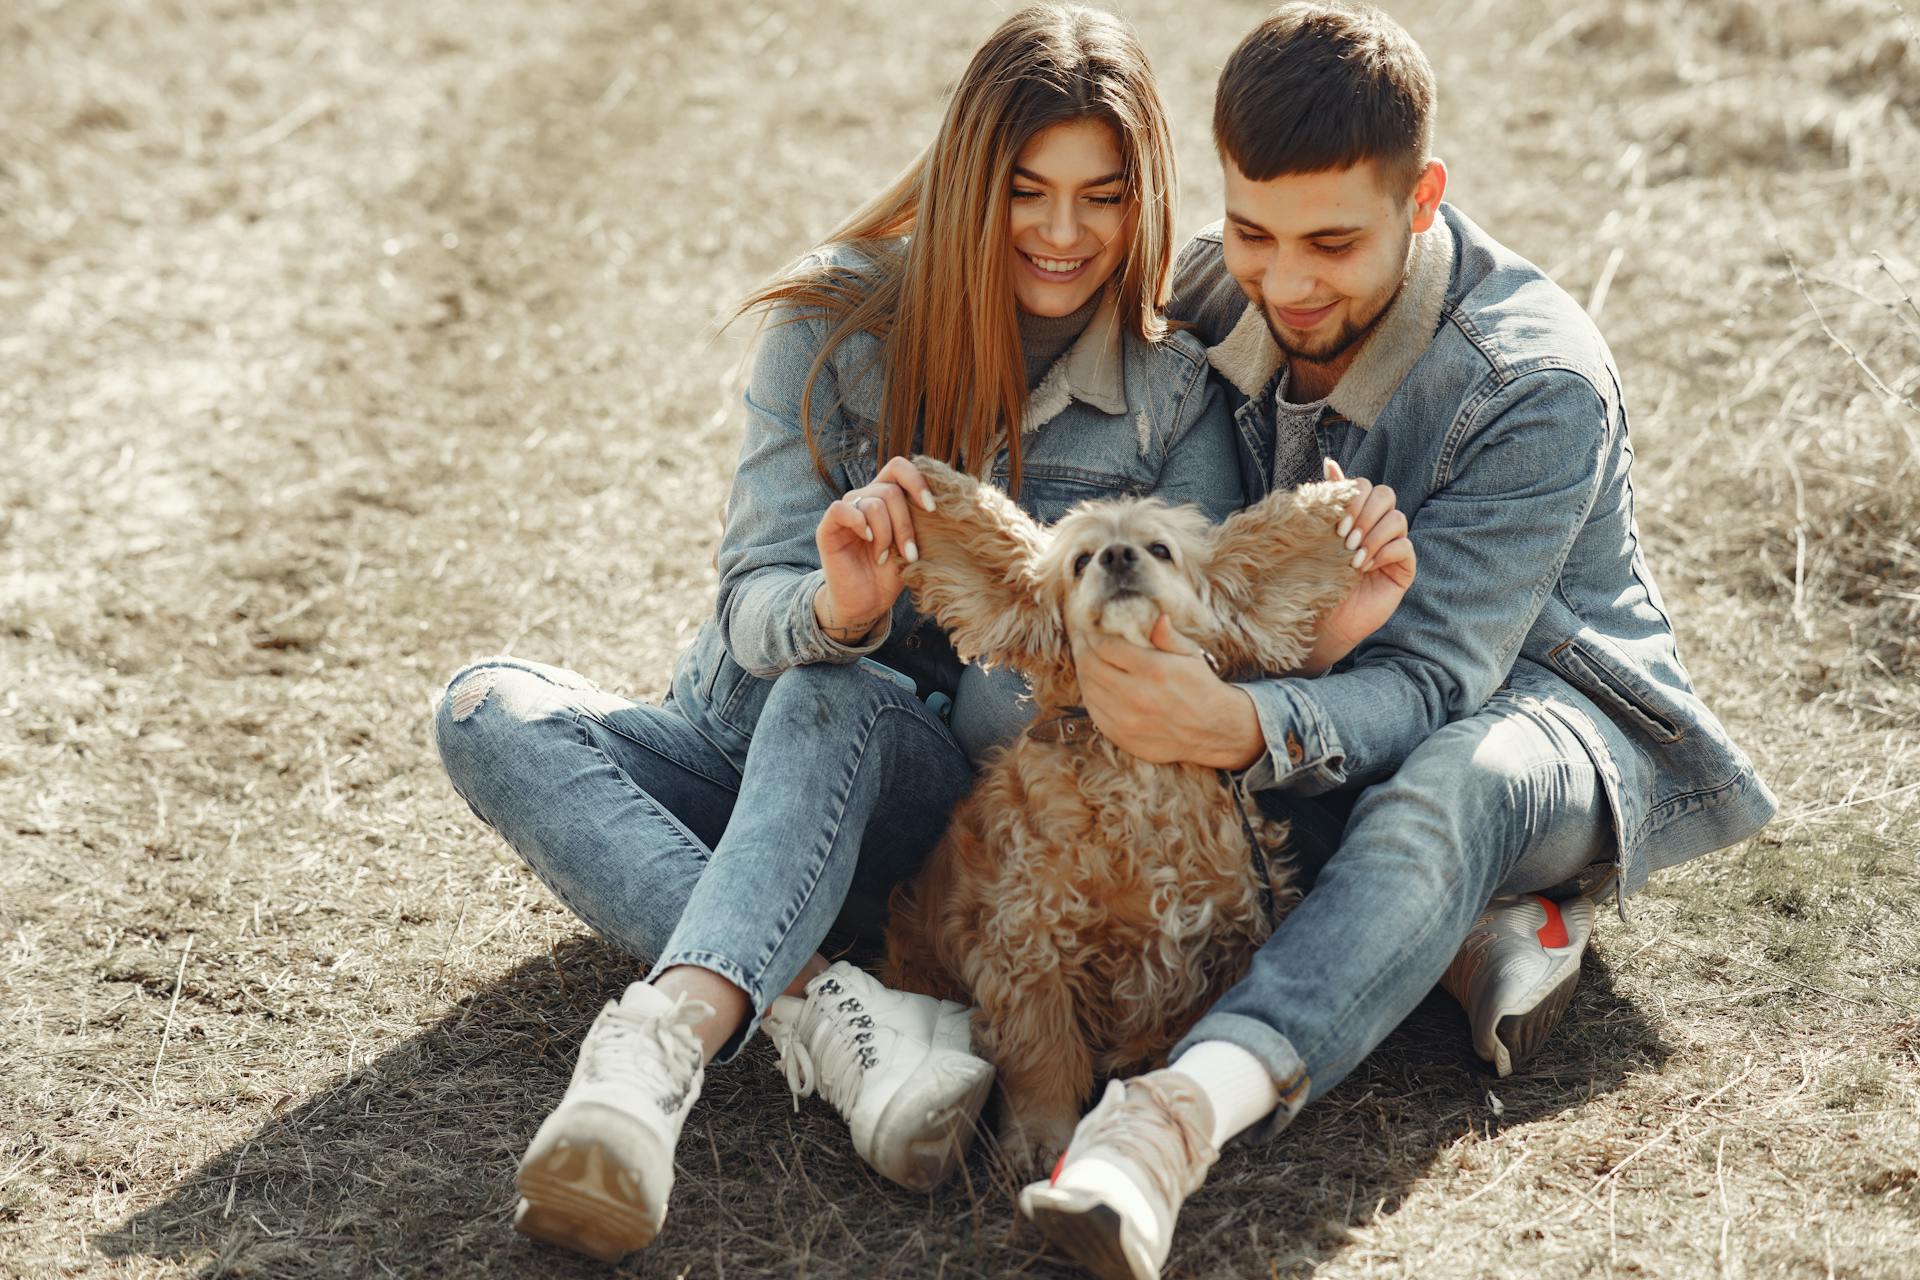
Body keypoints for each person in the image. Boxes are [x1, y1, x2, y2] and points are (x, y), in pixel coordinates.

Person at [432, 4, 1414, 1264]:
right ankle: (829, 1009)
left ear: (1140, 204)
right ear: (966, 180)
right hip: (736, 755)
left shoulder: (1170, 390)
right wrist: (836, 605)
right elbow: (749, 598)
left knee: (843, 701)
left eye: (1104, 197)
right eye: (1026, 190)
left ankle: (663, 1040)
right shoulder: (837, 322)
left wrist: (1328, 625)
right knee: (484, 707)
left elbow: (1189, 638)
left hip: (937, 806)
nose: (1065, 234)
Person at [1016, 6, 1778, 1279]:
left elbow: (1435, 679)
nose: (1288, 279)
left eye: (1333, 242)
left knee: (1445, 788)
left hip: (1549, 713)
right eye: (1255, 230)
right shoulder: (1218, 280)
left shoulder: (1538, 379)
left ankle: (1166, 1124)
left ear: (1422, 197)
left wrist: (1245, 726)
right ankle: (1460, 931)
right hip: (1311, 685)